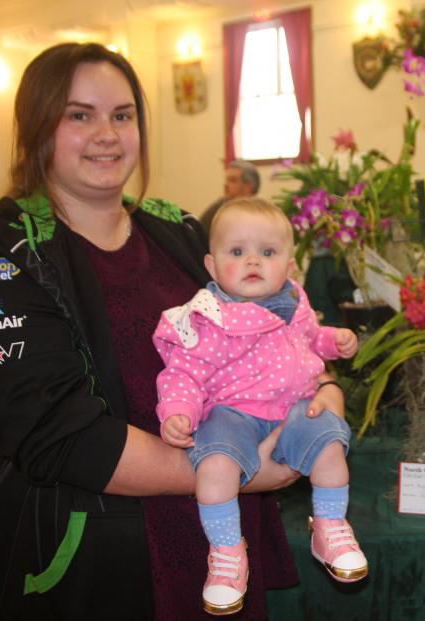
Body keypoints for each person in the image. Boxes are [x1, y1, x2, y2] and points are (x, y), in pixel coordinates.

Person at [0, 42, 346, 621]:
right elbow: (58, 433)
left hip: (215, 547)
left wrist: (320, 389)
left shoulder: (176, 231)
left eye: (122, 115)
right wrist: (234, 468)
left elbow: (271, 330)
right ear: (36, 127)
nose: (107, 133)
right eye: (79, 115)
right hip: (96, 559)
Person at [153, 197, 368, 614]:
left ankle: (329, 525)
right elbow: (183, 372)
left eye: (267, 253)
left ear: (288, 266)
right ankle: (227, 552)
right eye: (237, 252)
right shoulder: (206, 317)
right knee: (214, 468)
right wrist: (177, 411)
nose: (253, 261)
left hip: (294, 406)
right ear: (212, 267)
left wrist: (335, 341)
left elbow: (311, 337)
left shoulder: (292, 302)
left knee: (330, 447)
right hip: (231, 414)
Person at [201, 160, 260, 236]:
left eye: (232, 180)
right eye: (226, 180)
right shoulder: (217, 209)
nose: (225, 185)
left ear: (248, 186)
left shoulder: (262, 213)